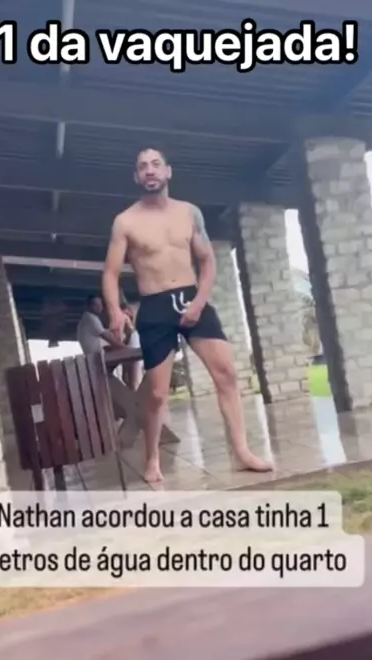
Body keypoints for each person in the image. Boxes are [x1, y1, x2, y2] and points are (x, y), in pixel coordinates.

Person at [102, 148, 273, 483]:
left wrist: (199, 302)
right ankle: (152, 458)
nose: (150, 171)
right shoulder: (126, 221)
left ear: (168, 172)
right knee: (156, 394)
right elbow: (110, 272)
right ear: (136, 177)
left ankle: (242, 452)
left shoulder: (189, 213)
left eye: (156, 165)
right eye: (142, 167)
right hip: (154, 305)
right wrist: (114, 312)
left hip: (191, 298)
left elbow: (207, 260)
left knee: (226, 374)